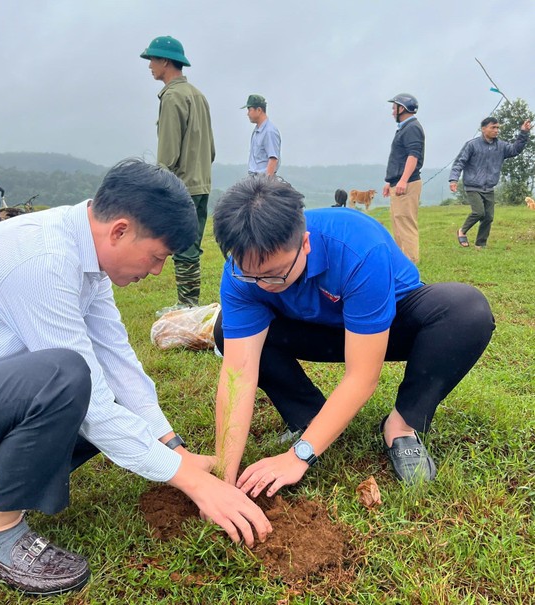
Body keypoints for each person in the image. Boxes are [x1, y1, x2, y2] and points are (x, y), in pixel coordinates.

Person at [0, 160, 271, 596]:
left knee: (96, 388)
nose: (157, 271)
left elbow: (118, 363)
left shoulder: (85, 260)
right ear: (120, 231)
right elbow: (85, 399)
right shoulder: (42, 259)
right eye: (158, 256)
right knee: (65, 377)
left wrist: (174, 448)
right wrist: (192, 481)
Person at [211, 176, 495, 498]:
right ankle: (310, 419)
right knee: (226, 330)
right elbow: (238, 372)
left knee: (467, 311)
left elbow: (362, 375)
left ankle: (401, 427)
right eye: (250, 274)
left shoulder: (357, 246)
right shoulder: (240, 274)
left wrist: (298, 457)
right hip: (316, 330)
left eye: (275, 274)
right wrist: (223, 475)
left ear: (305, 243)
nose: (262, 284)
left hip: (386, 324)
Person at [140, 35, 215, 315]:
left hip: (181, 184)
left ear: (166, 62)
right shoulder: (198, 95)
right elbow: (212, 148)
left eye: (153, 60)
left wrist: (159, 187)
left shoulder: (172, 97)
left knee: (181, 243)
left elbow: (168, 155)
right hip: (202, 182)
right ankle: (190, 303)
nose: (150, 66)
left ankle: (186, 305)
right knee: (191, 243)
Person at [450, 117, 531, 249]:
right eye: (493, 127)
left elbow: (515, 150)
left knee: (488, 217)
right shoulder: (472, 145)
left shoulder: (501, 146)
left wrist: (524, 132)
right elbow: (460, 162)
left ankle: (480, 245)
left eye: (497, 127)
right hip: (473, 186)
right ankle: (462, 231)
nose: (496, 130)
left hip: (489, 187)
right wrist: (453, 179)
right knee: (479, 212)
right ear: (483, 129)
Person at [382, 93, 425, 264]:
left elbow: (413, 156)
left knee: (405, 224)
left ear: (403, 108)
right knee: (398, 223)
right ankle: (401, 262)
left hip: (406, 183)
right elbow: (399, 157)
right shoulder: (404, 127)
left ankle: (410, 263)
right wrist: (390, 181)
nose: (392, 111)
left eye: (394, 108)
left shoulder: (412, 127)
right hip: (398, 182)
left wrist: (403, 180)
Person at [241, 94, 281, 177]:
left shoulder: (269, 131)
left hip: (262, 182)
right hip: (253, 179)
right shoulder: (257, 131)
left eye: (249, 110)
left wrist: (266, 185)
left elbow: (273, 159)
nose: (247, 114)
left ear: (259, 110)